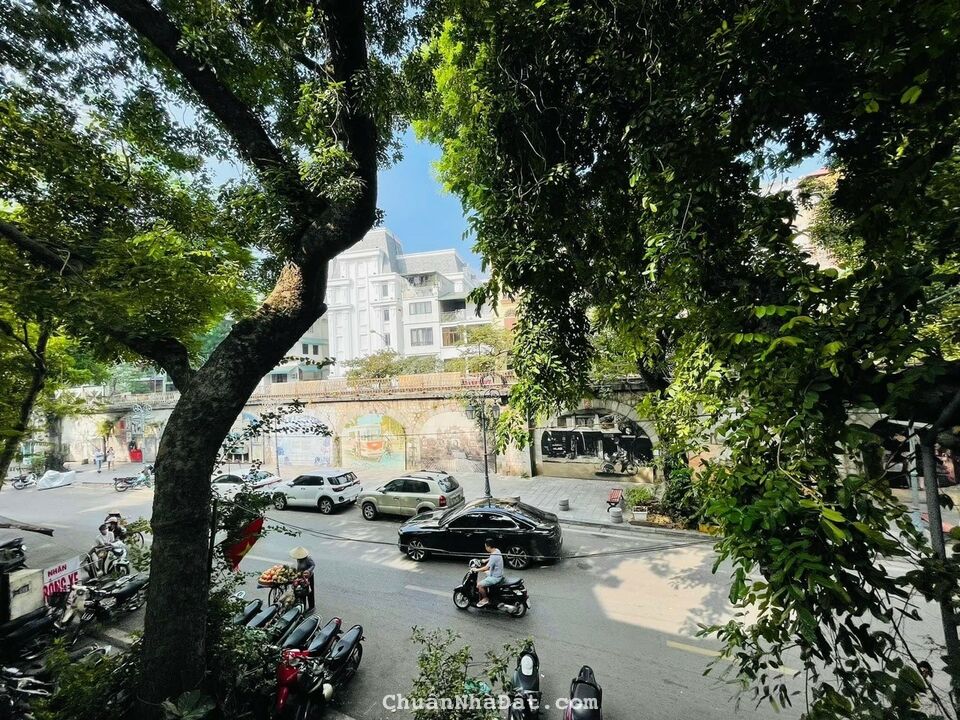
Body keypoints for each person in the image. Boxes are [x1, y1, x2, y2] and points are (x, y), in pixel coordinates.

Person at [475, 538, 504, 607]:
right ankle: (488, 592)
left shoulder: (493, 556)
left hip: (495, 577)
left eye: (485, 547)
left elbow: (486, 567)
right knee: (486, 573)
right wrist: (485, 560)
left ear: (489, 547)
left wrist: (476, 570)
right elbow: (492, 558)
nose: (485, 548)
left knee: (479, 585)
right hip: (498, 573)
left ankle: (485, 598)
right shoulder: (497, 550)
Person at [289, 546, 316, 611]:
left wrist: (308, 570)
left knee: (310, 592)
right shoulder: (299, 559)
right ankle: (303, 606)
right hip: (301, 577)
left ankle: (311, 606)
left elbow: (313, 565)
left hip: (308, 577)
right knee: (302, 592)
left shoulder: (308, 559)